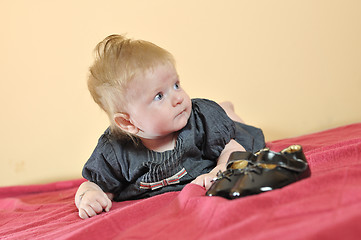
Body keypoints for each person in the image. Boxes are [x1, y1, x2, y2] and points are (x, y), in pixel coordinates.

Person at [75, 34, 265, 219]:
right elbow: (95, 185)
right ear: (127, 122)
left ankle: (227, 112)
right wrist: (89, 197)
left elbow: (232, 147)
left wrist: (221, 169)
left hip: (228, 135)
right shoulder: (115, 152)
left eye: (176, 85)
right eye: (159, 96)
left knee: (237, 128)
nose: (178, 98)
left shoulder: (201, 121)